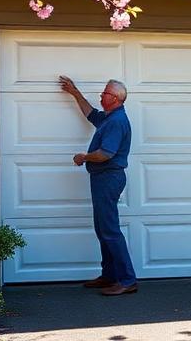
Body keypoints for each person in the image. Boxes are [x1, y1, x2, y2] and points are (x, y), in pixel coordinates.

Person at [59, 75, 138, 296]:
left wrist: (83, 157)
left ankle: (127, 280)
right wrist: (75, 92)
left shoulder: (117, 122)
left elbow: (105, 154)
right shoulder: (109, 117)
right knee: (103, 229)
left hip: (108, 179)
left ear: (114, 98)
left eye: (104, 93)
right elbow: (91, 114)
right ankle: (110, 276)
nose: (101, 96)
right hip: (103, 179)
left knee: (110, 231)